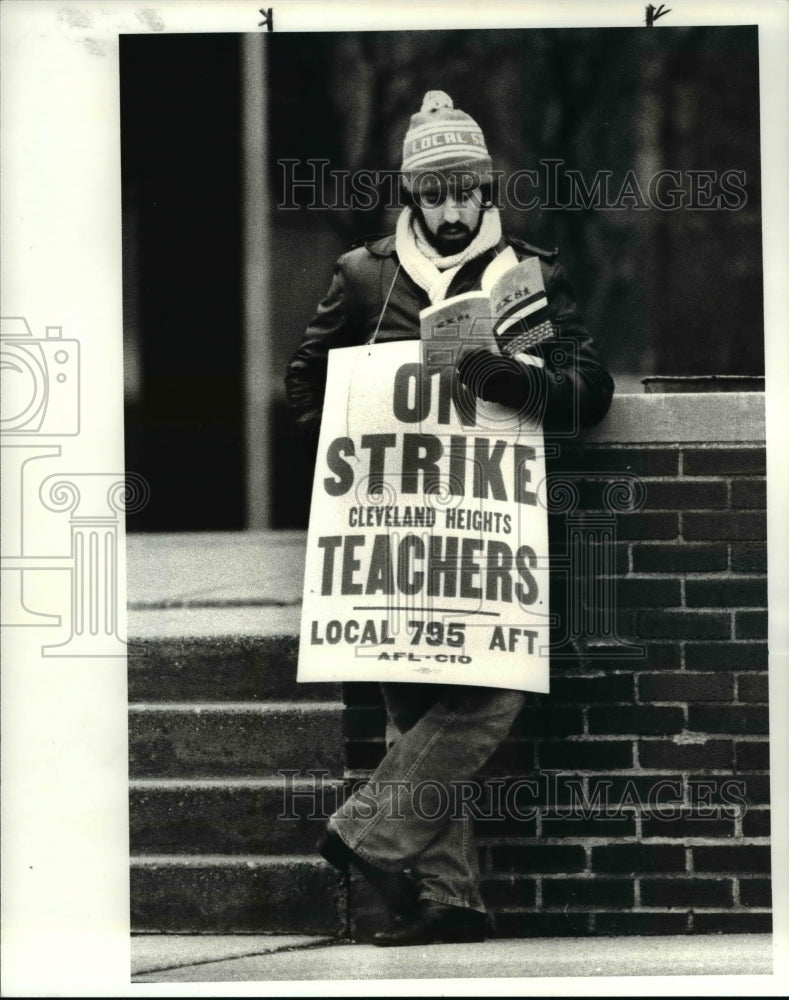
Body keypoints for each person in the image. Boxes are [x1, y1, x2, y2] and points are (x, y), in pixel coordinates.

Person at [285, 91, 614, 946]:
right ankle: (449, 902)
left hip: (491, 530)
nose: (453, 208)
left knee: (490, 690)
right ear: (412, 196)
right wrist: (349, 435)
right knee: (416, 708)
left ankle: (364, 834)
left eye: (467, 190)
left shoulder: (527, 276)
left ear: (484, 188)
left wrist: (510, 379)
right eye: (435, 194)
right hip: (396, 529)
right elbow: (303, 384)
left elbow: (590, 392)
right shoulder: (364, 276)